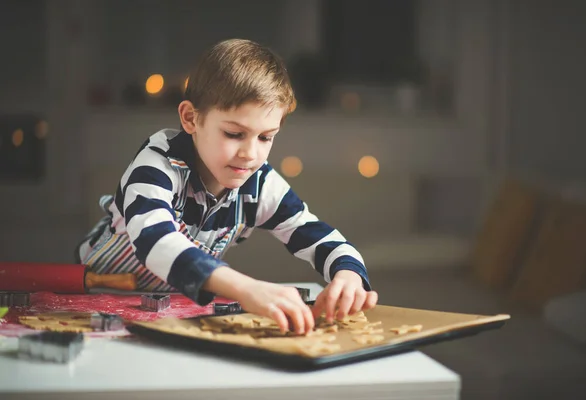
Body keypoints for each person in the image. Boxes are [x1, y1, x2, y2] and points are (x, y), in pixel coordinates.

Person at [76, 38, 378, 334]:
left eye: (265, 137)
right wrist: (246, 288)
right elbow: (156, 241)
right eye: (234, 134)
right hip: (90, 300)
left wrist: (348, 275)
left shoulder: (258, 184)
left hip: (174, 309)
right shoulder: (157, 164)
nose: (250, 153)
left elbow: (318, 236)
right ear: (191, 118)